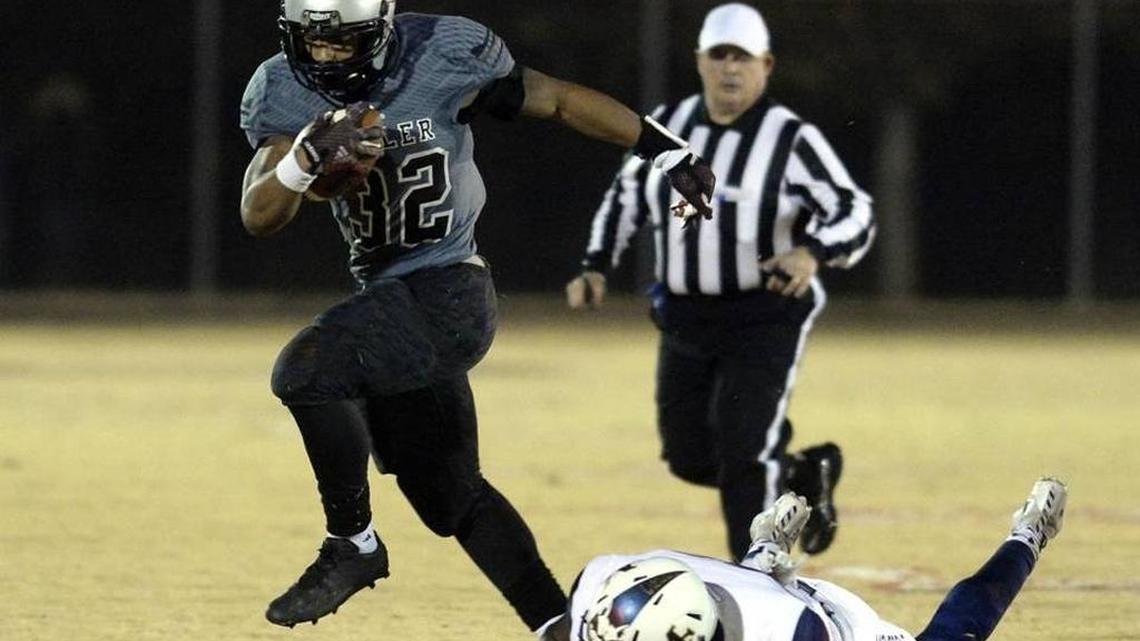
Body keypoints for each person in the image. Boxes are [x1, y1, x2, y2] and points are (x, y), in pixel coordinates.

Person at [239, 0, 717, 631]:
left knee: (306, 371)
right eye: (313, 44)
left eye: (343, 43)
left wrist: (668, 152)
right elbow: (258, 212)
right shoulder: (280, 89)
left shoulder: (441, 53)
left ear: (381, 31)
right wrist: (303, 160)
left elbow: (561, 101)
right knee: (451, 498)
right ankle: (558, 625)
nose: (326, 58)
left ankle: (352, 545)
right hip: (391, 300)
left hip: (449, 292)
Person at [564, 3, 876, 561]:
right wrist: (595, 263)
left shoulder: (790, 138)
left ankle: (757, 577)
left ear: (767, 65)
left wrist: (814, 252)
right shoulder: (669, 125)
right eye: (720, 55)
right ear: (700, 62)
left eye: (744, 58)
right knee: (689, 457)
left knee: (743, 452)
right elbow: (626, 196)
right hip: (685, 317)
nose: (731, 68)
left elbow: (854, 209)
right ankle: (804, 473)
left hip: (765, 314)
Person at [538, 477, 1068, 641]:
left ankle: (1028, 534)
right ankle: (765, 550)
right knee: (753, 583)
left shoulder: (792, 631)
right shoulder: (598, 581)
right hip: (748, 592)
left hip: (837, 626)